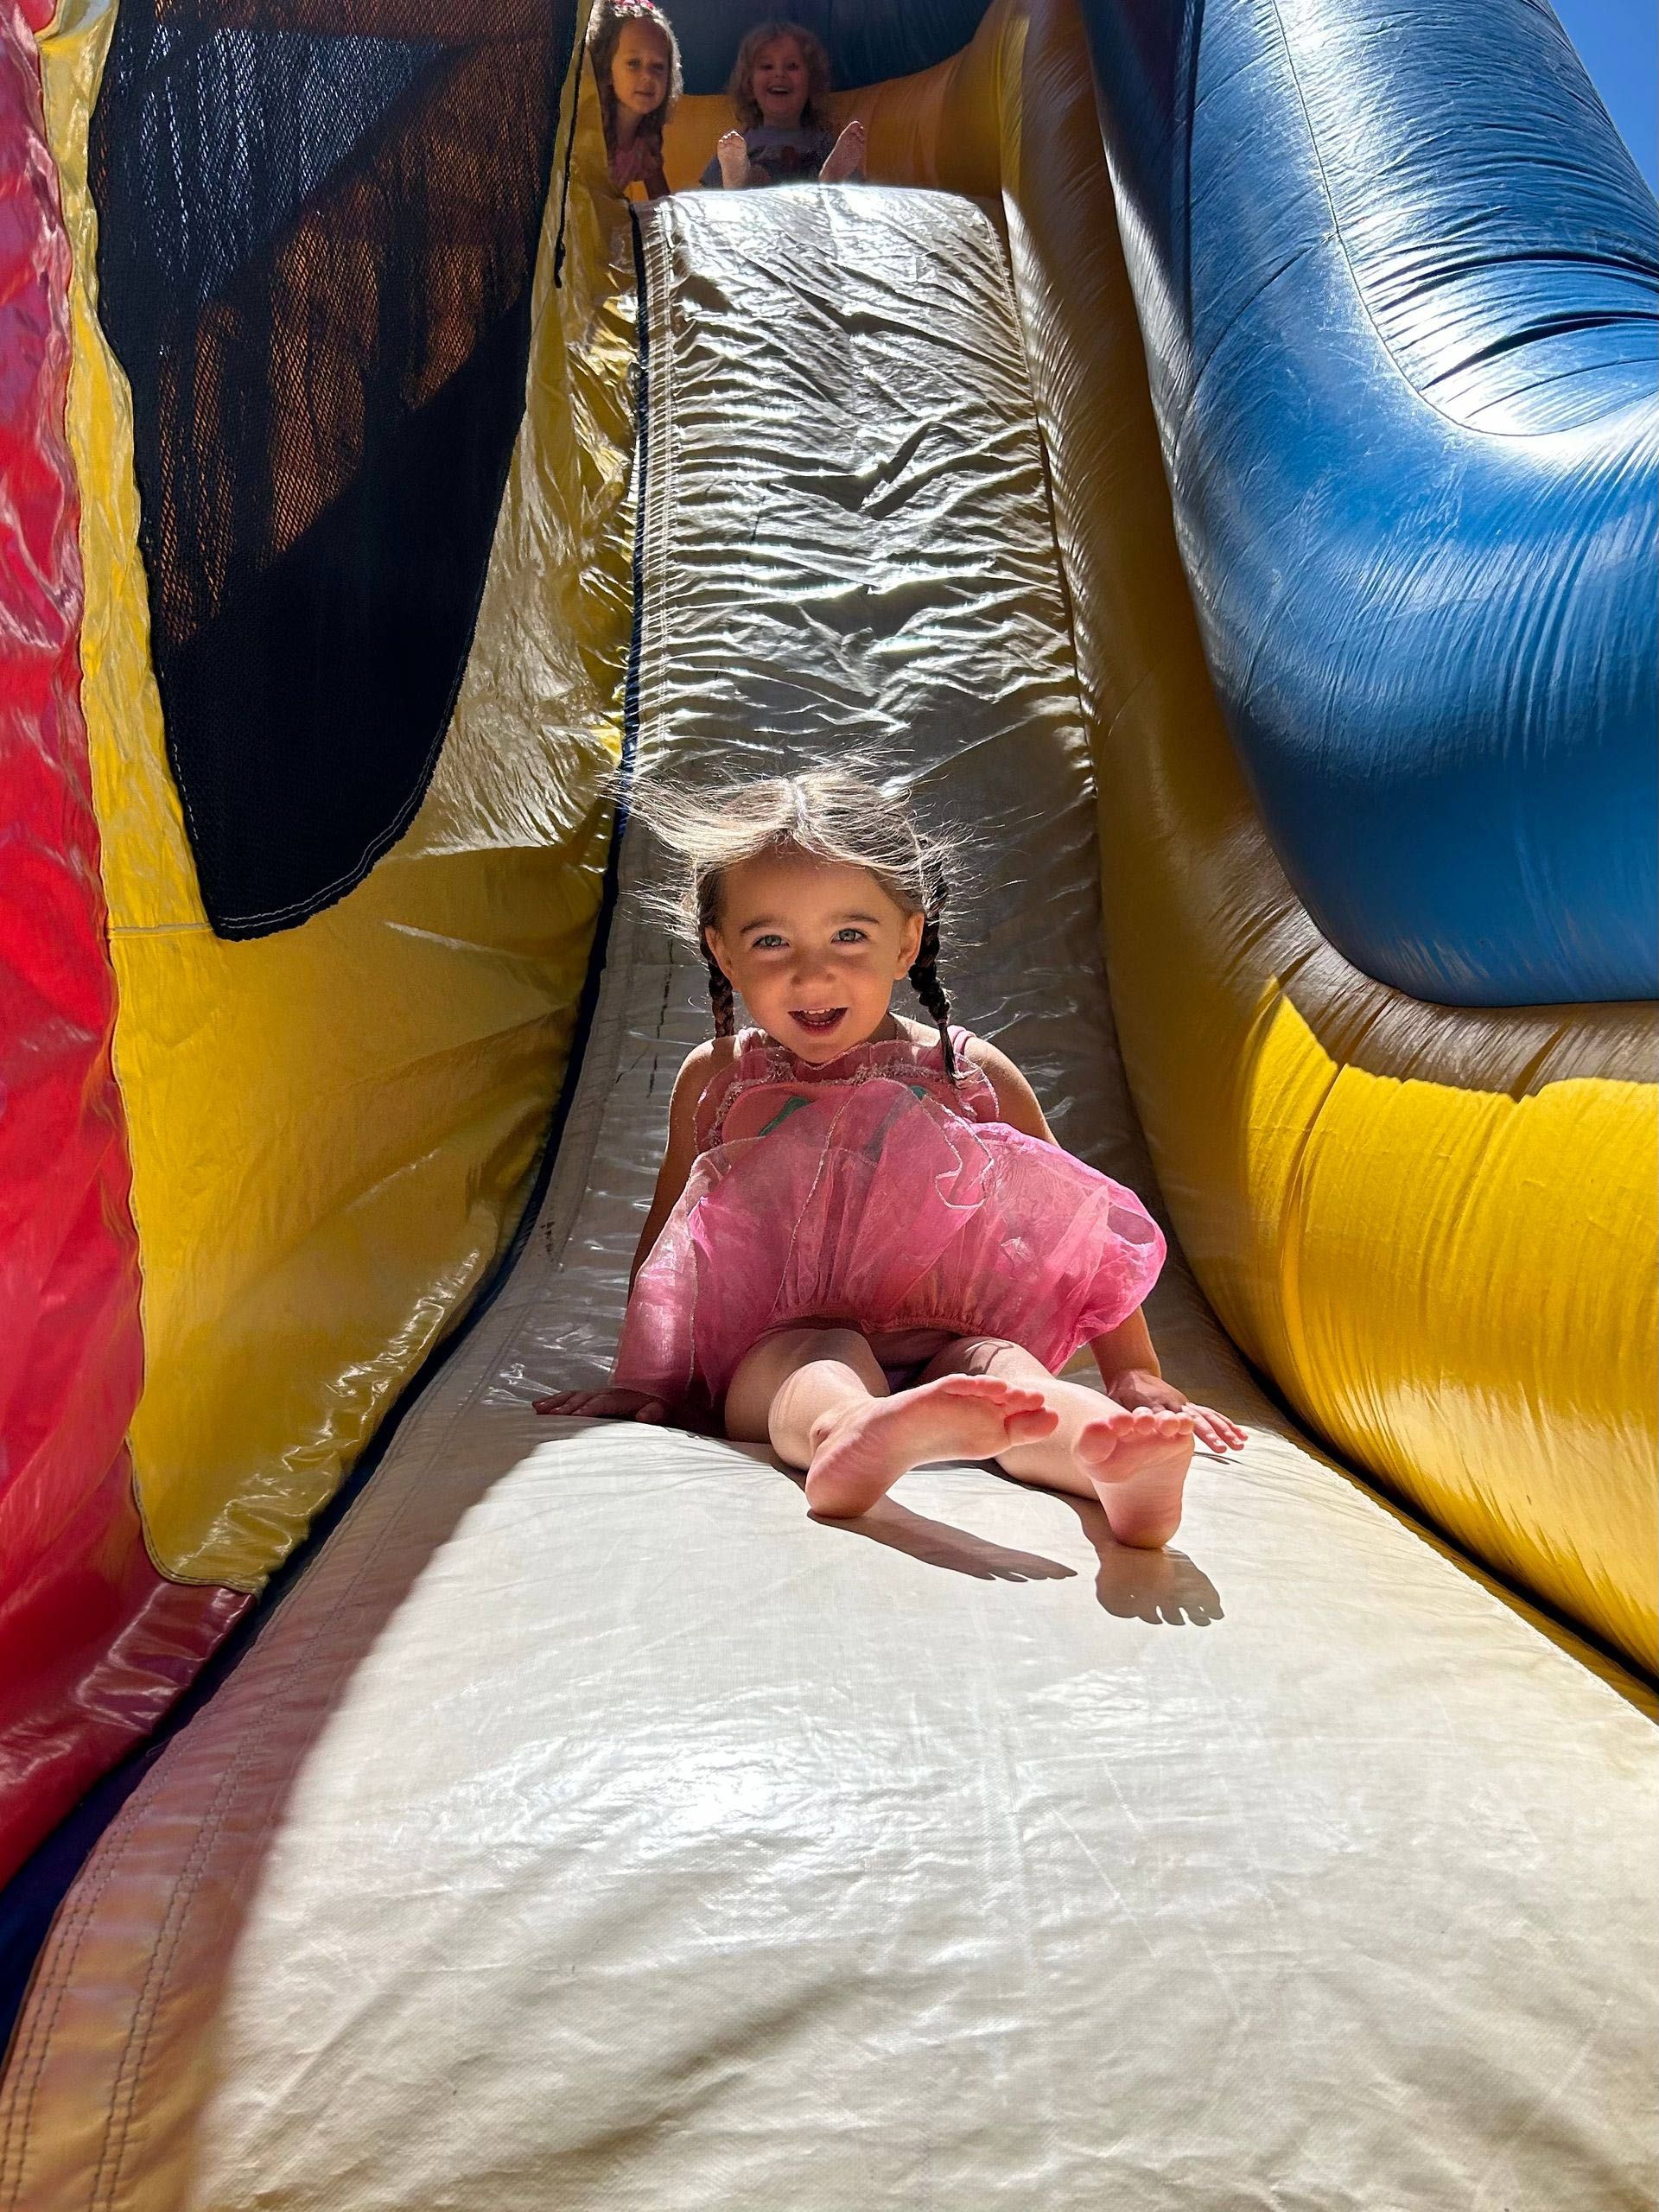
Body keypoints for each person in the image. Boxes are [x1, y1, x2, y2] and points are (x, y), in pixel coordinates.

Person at [537, 772, 1246, 1546]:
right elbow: (671, 1242)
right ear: (722, 953)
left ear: (907, 941)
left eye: (850, 935)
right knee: (815, 1360)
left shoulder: (965, 1075)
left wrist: (1131, 1373)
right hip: (781, 1338)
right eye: (771, 941)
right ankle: (853, 1432)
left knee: (1005, 1372)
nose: (812, 973)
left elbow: (1077, 1227)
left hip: (947, 1326)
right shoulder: (720, 1080)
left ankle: (1102, 1456)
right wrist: (645, 1382)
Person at [700, 19, 866, 190]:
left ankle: (831, 181)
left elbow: (860, 196)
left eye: (792, 66)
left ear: (811, 82)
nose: (779, 73)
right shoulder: (741, 144)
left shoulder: (823, 143)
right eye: (767, 66)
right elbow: (707, 201)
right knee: (756, 176)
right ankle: (739, 184)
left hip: (810, 211)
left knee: (825, 187)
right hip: (757, 211)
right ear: (749, 84)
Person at [588, 0, 682, 201]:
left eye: (657, 66)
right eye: (634, 63)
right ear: (606, 70)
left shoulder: (644, 145)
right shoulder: (590, 134)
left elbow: (662, 204)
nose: (648, 76)